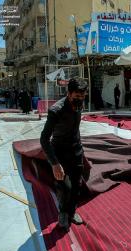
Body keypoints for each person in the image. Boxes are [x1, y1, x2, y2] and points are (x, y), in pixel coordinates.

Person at [40, 78, 87, 230]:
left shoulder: (80, 104)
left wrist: (79, 147)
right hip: (59, 153)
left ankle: (72, 212)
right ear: (68, 93)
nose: (79, 100)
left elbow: (75, 128)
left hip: (76, 150)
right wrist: (54, 163)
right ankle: (63, 214)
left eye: (82, 96)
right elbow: (44, 139)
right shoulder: (56, 110)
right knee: (64, 187)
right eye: (76, 97)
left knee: (76, 185)